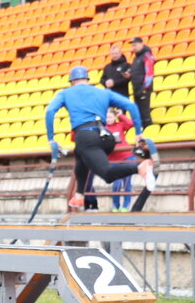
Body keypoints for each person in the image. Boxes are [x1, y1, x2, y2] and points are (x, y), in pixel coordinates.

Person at [46, 65, 155, 210]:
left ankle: (140, 167)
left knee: (107, 174)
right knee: (80, 154)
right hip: (106, 137)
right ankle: (79, 195)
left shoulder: (65, 93)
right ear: (87, 79)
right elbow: (131, 106)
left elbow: (50, 111)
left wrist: (51, 139)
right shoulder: (102, 92)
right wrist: (138, 132)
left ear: (71, 81)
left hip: (85, 135)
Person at [104, 108, 136, 211]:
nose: (108, 119)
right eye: (106, 117)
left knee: (127, 183)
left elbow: (131, 124)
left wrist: (121, 115)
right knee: (116, 184)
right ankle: (116, 205)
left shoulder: (120, 125)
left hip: (127, 156)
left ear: (114, 117)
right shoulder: (102, 128)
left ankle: (126, 206)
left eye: (110, 117)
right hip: (113, 159)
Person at [129, 37, 156, 128]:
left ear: (141, 44)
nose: (134, 47)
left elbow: (149, 72)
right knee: (139, 113)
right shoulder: (136, 58)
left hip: (143, 88)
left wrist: (145, 87)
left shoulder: (146, 55)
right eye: (133, 46)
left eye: (135, 45)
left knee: (145, 113)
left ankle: (149, 132)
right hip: (136, 89)